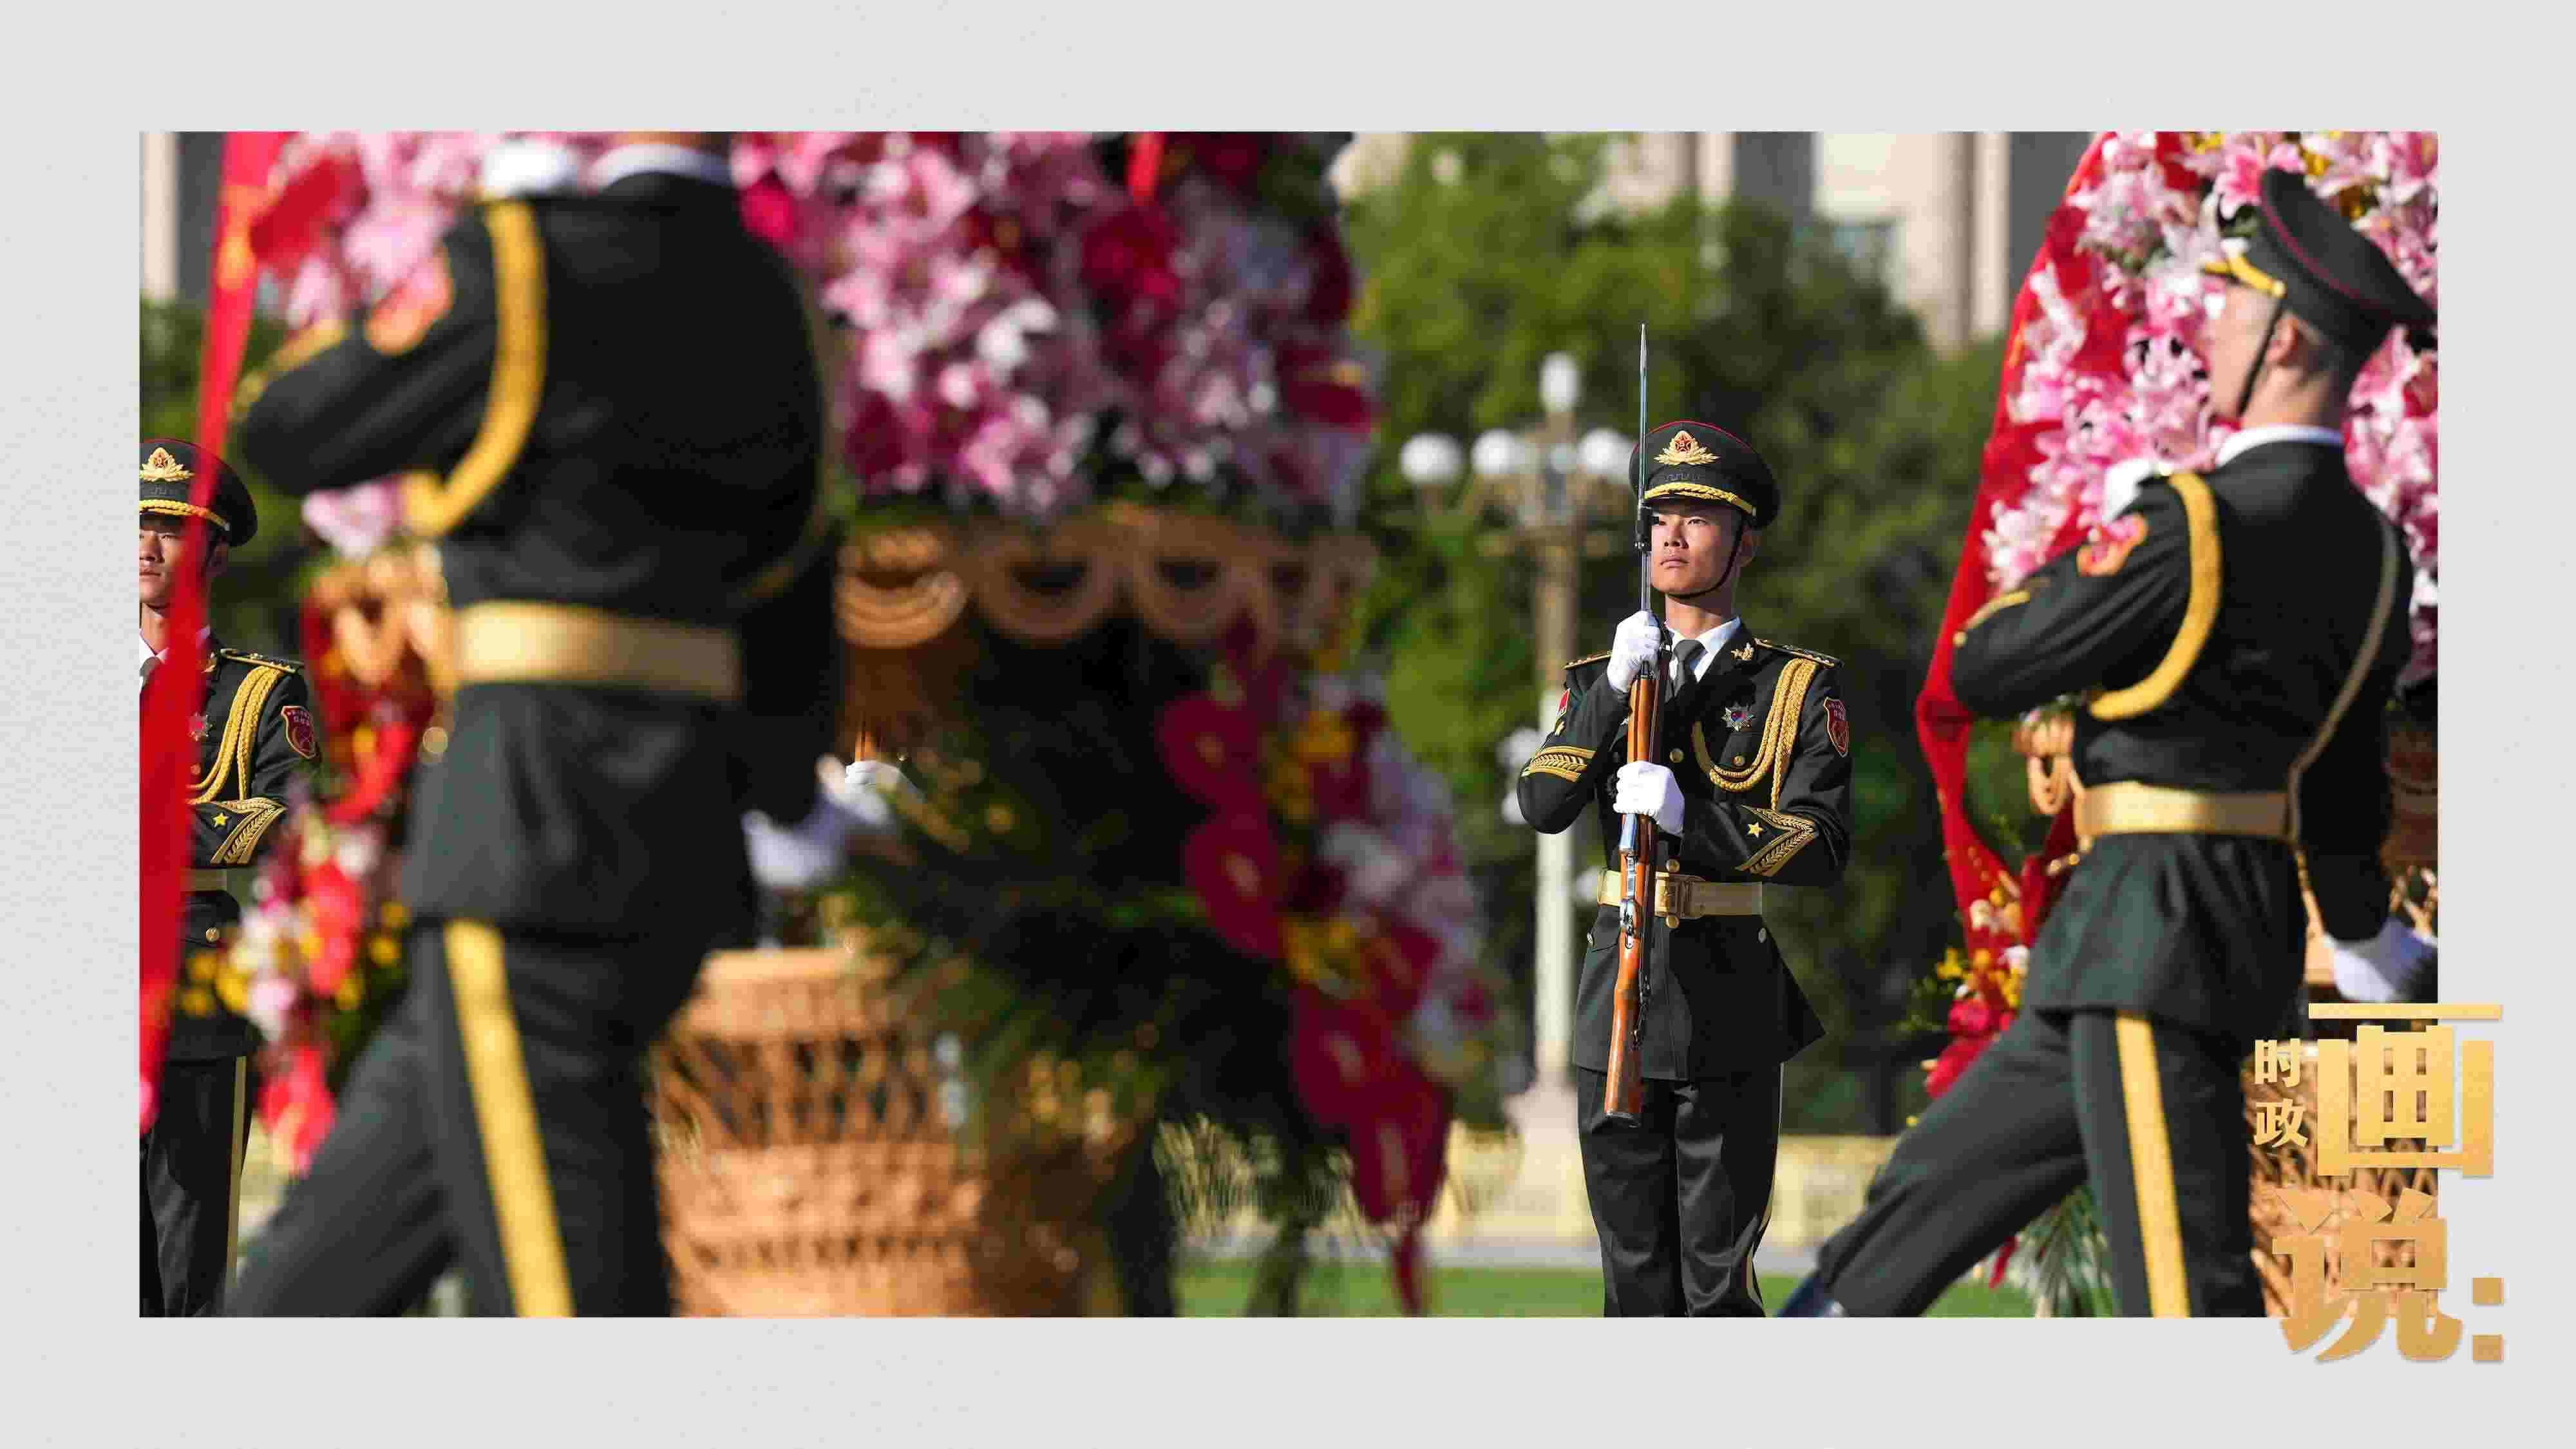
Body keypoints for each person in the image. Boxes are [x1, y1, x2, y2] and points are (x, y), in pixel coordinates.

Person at [1783, 167, 2433, 1318]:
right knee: (1925, 1202)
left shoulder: (2192, 523)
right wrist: (2363, 932)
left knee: (2186, 1289)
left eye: (2236, 308)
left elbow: (1989, 661)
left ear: (2286, 344)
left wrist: (2115, 533)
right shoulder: (2379, 556)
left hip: (2151, 935)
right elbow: (2338, 782)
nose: (2213, 329)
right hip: (2202, 938)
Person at [226, 132, 855, 1315]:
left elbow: (291, 430)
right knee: (315, 1285)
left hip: (528, 849)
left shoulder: (523, 264)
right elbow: (794, 588)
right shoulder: (779, 304)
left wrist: (454, 247)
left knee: (574, 1297)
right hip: (680, 847)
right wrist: (781, 793)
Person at [1516, 420, 1852, 1316]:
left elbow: (1822, 844)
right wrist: (1609, 694)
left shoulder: (1793, 686)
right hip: (1619, 991)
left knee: (1716, 1283)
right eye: (1659, 516)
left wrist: (1690, 818)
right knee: (1632, 1279)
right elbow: (1541, 804)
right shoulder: (1603, 674)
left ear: (1743, 544)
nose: (1670, 535)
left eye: (1697, 517)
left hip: (1727, 1000)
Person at [138, 437, 319, 1315]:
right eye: (135, 523)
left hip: (193, 1004)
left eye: (172, 527)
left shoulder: (259, 694)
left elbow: (285, 817)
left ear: (213, 553)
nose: (146, 544)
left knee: (187, 1283)